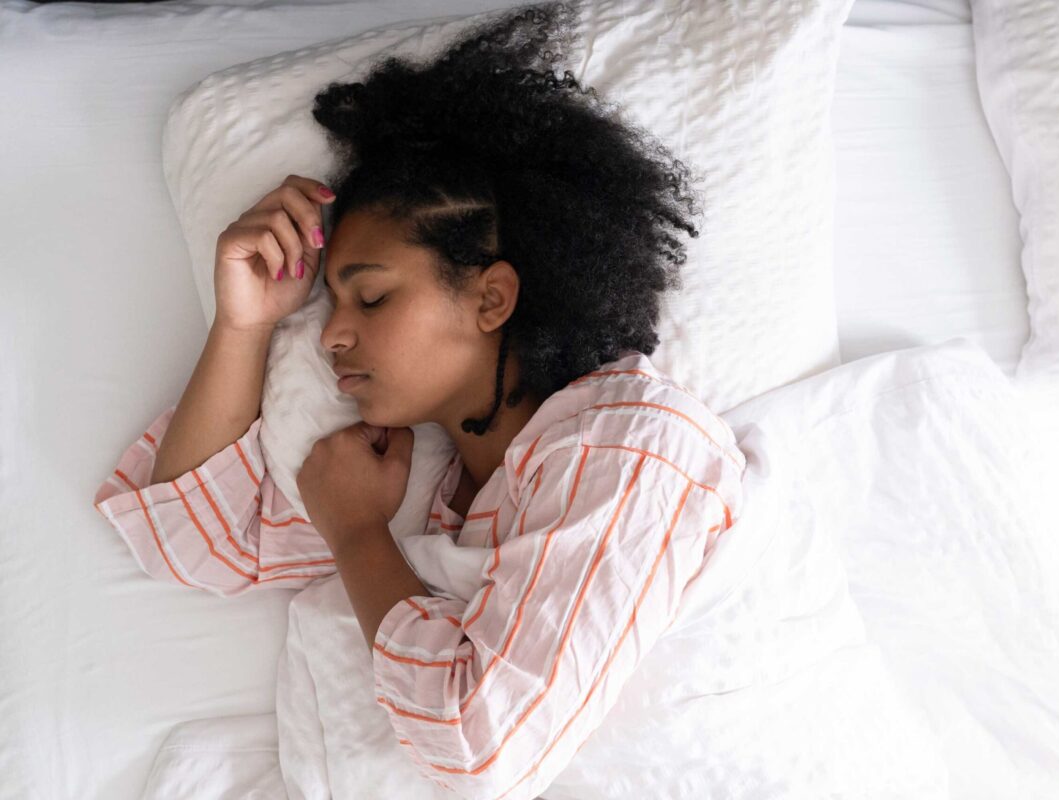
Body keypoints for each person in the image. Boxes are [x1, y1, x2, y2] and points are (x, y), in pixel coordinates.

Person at [92, 3, 745, 798]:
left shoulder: (636, 447)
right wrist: (244, 324)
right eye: (332, 305)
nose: (331, 336)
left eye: (370, 298)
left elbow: (481, 745)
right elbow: (195, 542)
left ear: (492, 298)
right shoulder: (435, 489)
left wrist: (358, 535)